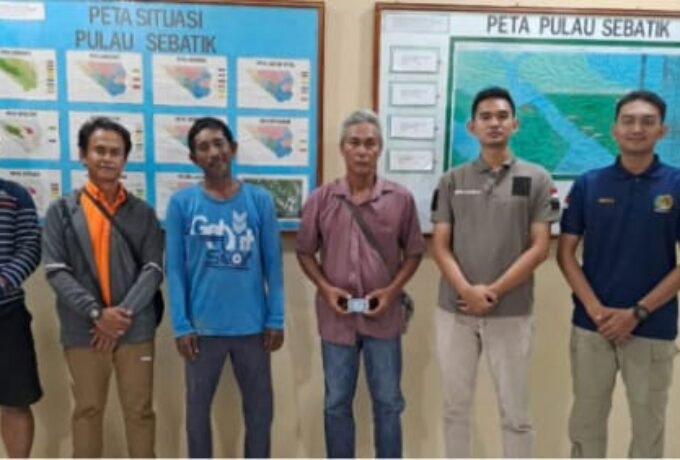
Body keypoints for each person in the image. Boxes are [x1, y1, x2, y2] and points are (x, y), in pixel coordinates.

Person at [431, 87, 558, 457]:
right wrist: (467, 291)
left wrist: (493, 291)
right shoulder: (452, 180)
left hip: (511, 312)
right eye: (485, 117)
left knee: (515, 413)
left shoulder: (537, 178)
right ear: (471, 127)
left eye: (502, 116)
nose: (494, 123)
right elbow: (440, 246)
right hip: (455, 310)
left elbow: (539, 247)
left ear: (515, 124)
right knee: (455, 410)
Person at [557, 90, 680, 458]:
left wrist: (637, 313)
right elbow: (565, 254)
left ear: (663, 130)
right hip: (592, 326)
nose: (636, 128)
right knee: (585, 425)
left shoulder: (675, 184)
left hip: (653, 327)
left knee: (648, 430)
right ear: (614, 129)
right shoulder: (589, 184)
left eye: (647, 121)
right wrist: (597, 312)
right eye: (628, 121)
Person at [296, 109, 425, 458]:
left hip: (384, 319)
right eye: (355, 143)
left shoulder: (400, 199)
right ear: (342, 148)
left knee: (389, 402)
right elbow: (305, 252)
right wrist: (325, 288)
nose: (362, 151)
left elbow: (414, 253)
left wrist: (392, 292)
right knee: (336, 402)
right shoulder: (321, 199)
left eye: (370, 143)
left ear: (380, 148)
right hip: (336, 320)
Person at [43, 117, 164, 458]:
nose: (107, 158)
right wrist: (97, 314)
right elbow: (55, 271)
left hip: (135, 329)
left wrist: (119, 318)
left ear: (125, 159)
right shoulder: (62, 211)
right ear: (83, 155)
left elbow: (154, 269)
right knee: (87, 411)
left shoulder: (143, 213)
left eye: (115, 152)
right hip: (84, 330)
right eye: (99, 150)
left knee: (140, 412)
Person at [165, 117, 284, 458]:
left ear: (232, 149)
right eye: (203, 147)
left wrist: (276, 318)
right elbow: (175, 270)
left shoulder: (260, 201)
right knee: (197, 415)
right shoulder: (181, 204)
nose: (213, 152)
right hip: (201, 332)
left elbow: (274, 267)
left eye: (219, 143)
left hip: (253, 330)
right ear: (194, 158)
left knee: (260, 413)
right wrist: (181, 325)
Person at [0, 180, 42, 458]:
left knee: (15, 402)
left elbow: (30, 247)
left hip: (7, 314)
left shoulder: (15, 194)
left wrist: (2, 282)